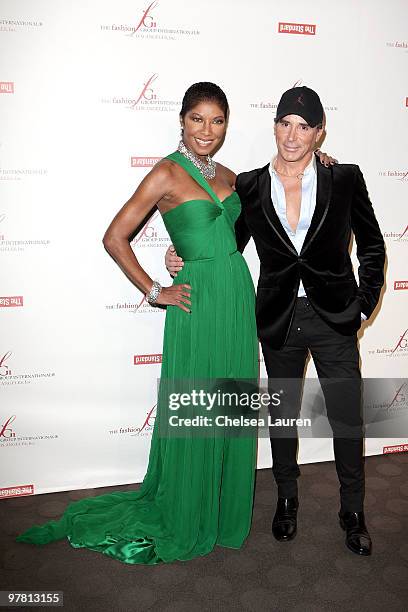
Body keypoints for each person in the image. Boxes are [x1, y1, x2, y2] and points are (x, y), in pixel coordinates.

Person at [166, 86, 385, 557]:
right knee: (283, 417)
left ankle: (354, 510)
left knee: (346, 417)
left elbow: (371, 246)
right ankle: (286, 499)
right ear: (274, 127)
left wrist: (363, 307)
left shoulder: (344, 177)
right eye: (285, 123)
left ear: (319, 132)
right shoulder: (248, 185)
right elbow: (224, 241)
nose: (293, 134)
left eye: (304, 126)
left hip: (334, 318)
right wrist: (180, 253)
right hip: (279, 318)